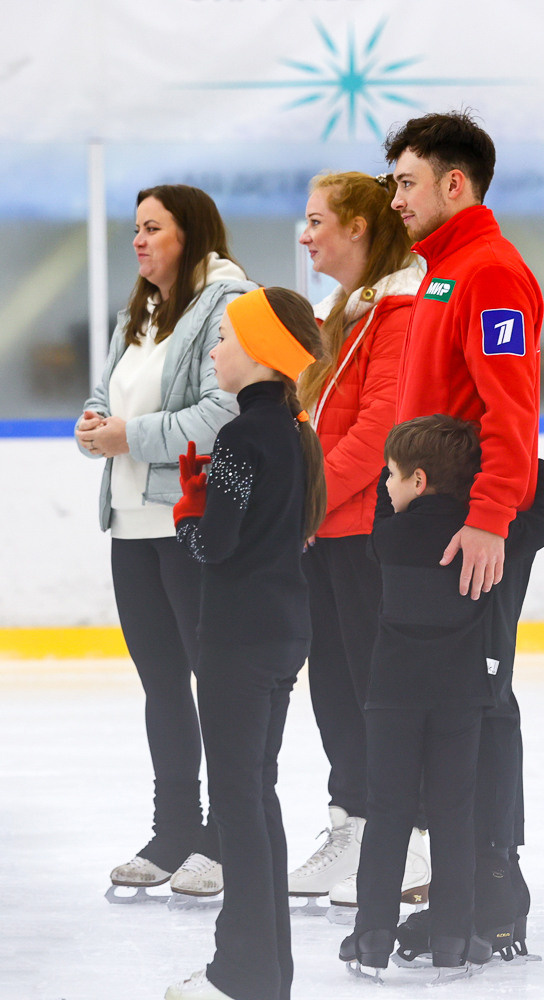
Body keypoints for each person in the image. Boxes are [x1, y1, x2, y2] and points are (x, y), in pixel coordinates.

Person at [384, 110, 543, 951]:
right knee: (452, 703)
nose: (395, 198)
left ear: (455, 183)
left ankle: (489, 891)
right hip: (438, 525)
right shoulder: (441, 273)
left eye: (406, 181)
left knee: (478, 703)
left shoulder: (488, 273)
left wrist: (488, 519)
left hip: (473, 529)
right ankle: (464, 884)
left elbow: (511, 409)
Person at [75, 184, 255, 901]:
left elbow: (225, 409)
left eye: (153, 228)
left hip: (188, 523)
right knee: (162, 684)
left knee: (215, 683)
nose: (138, 241)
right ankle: (176, 826)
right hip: (129, 523)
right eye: (135, 229)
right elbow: (105, 394)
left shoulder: (227, 303)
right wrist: (95, 427)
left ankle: (222, 836)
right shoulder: (140, 312)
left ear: (192, 233)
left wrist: (130, 436)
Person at [339, 416, 544, 982]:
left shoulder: (388, 536)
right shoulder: (487, 541)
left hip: (390, 696)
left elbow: (385, 512)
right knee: (454, 815)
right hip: (461, 696)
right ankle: (453, 941)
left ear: (417, 480)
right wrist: (512, 461)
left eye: (390, 475)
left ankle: (370, 937)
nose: (384, 485)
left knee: (387, 811)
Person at [165, 287, 326, 1000]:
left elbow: (215, 543)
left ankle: (241, 974)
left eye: (226, 339)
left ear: (262, 353)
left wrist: (185, 514)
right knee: (255, 797)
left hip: (238, 638)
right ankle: (266, 973)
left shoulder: (241, 436)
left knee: (238, 802)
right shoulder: (291, 431)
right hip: (283, 630)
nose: (215, 351)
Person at [287, 171, 430, 907]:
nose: (305, 235)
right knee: (337, 687)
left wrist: (305, 505)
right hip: (328, 531)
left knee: (381, 688)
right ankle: (355, 823)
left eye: (316, 221)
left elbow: (379, 430)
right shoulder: (340, 311)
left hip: (367, 529)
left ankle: (408, 836)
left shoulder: (402, 308)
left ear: (359, 229)